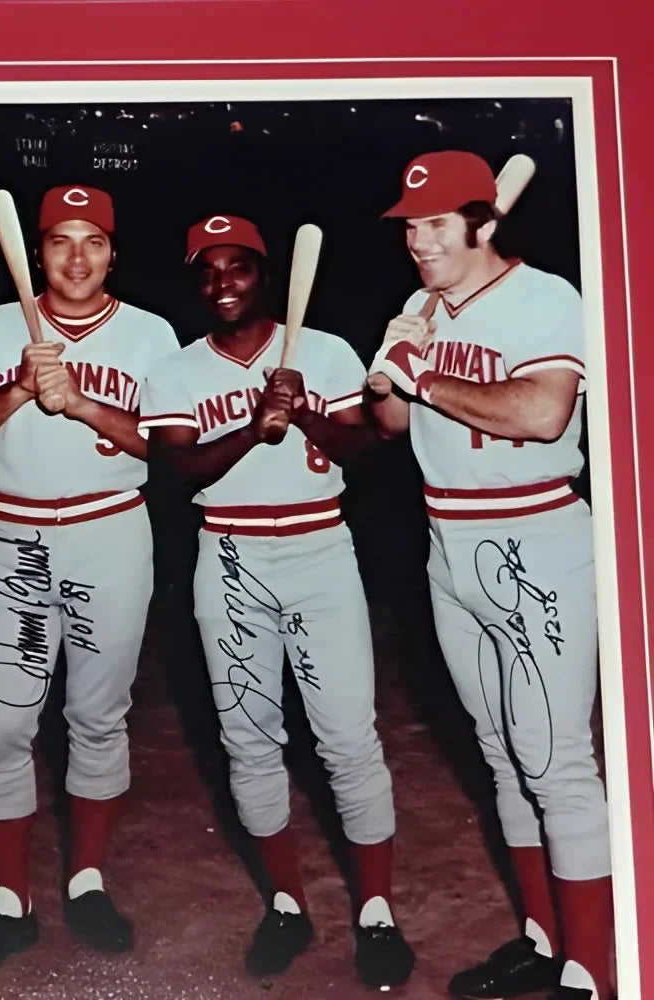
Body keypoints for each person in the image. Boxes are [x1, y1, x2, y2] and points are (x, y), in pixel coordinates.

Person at [139, 213, 415, 990]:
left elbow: (368, 445)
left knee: (347, 739)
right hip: (226, 557)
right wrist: (255, 428)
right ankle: (288, 906)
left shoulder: (322, 351)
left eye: (239, 267)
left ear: (264, 274)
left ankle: (377, 915)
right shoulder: (176, 370)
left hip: (320, 550)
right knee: (250, 739)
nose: (223, 283)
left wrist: (306, 411)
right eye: (208, 270)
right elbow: (180, 468)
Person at [367, 150, 612, 1000]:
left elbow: (543, 414)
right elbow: (393, 423)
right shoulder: (420, 306)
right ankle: (545, 941)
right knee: (503, 755)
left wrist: (426, 378)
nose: (418, 242)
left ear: (484, 221)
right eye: (410, 226)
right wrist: (392, 367)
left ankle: (593, 969)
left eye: (436, 224)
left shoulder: (547, 298)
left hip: (535, 538)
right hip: (450, 543)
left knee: (556, 761)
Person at [0, 184, 180, 982]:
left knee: (98, 717)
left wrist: (82, 403)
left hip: (110, 531)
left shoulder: (151, 334)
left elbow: (170, 452)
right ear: (38, 252)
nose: (78, 257)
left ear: (114, 252)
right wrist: (15, 388)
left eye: (94, 242)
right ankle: (10, 903)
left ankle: (87, 882)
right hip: (20, 537)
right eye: (62, 241)